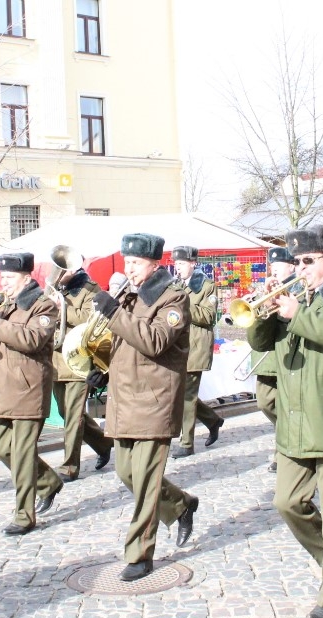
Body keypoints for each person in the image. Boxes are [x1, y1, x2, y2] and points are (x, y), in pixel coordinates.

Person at [246, 222, 323, 618]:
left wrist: (298, 315)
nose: (300, 269)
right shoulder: (294, 294)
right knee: (287, 502)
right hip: (294, 420)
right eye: (296, 261)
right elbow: (261, 344)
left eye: (309, 261)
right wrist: (261, 315)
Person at [91, 233, 200, 581]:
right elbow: (124, 341)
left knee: (146, 482)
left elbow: (153, 341)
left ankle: (140, 553)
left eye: (135, 263)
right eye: (126, 262)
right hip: (125, 398)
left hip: (155, 400)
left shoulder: (173, 298)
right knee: (126, 473)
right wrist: (101, 368)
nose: (129, 269)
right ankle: (181, 505)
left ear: (154, 263)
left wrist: (112, 312)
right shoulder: (129, 293)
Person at [0, 253, 64, 535]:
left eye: (9, 278)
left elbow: (33, 340)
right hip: (1, 391)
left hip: (28, 390)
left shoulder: (42, 305)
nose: (4, 282)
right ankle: (47, 482)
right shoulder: (3, 303)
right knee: (2, 449)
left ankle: (24, 515)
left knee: (21, 456)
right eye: (3, 277)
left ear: (27, 278)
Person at [47, 257, 114, 482]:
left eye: (62, 268)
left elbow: (91, 319)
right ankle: (103, 444)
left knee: (73, 416)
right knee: (68, 412)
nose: (57, 272)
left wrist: (61, 307)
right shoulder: (55, 288)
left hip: (79, 360)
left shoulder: (90, 289)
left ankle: (69, 466)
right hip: (56, 360)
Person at [171, 246, 224, 458]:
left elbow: (209, 316)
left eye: (182, 264)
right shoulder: (175, 285)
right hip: (177, 346)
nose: (178, 268)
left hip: (196, 346)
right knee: (181, 394)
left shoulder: (206, 286)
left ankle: (187, 443)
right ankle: (212, 420)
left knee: (186, 395)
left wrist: (182, 305)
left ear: (193, 263)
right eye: (176, 264)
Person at [253, 246, 296, 473]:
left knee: (287, 405)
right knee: (265, 401)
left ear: (291, 265)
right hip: (267, 355)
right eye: (272, 266)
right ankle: (287, 435)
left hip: (289, 353)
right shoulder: (267, 287)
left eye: (278, 266)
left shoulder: (297, 287)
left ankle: (282, 452)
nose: (274, 270)